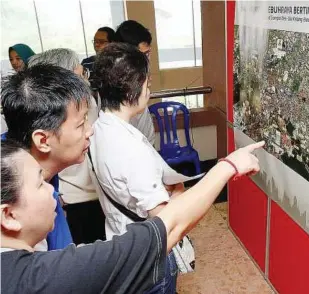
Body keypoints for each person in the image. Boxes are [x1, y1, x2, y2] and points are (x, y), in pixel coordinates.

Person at [0, 138, 263, 293]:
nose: (53, 192)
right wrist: (228, 166)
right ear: (9, 215)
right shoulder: (44, 278)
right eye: (40, 183)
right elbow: (166, 229)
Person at [92, 42, 190, 293]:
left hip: (121, 239)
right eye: (147, 83)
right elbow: (163, 219)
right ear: (131, 90)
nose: (149, 89)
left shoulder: (98, 129)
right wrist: (179, 190)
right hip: (149, 257)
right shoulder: (129, 146)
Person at [1, 64, 93, 250]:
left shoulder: (42, 169)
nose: (89, 131)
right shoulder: (13, 192)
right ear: (43, 140)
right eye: (81, 124)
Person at [28, 49, 105, 245]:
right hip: (72, 201)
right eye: (79, 76)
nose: (85, 82)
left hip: (90, 195)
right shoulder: (26, 183)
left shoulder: (85, 104)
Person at [115, 20, 155, 145]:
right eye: (140, 55)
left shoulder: (142, 68)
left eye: (147, 53)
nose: (145, 60)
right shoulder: (112, 79)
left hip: (146, 138)